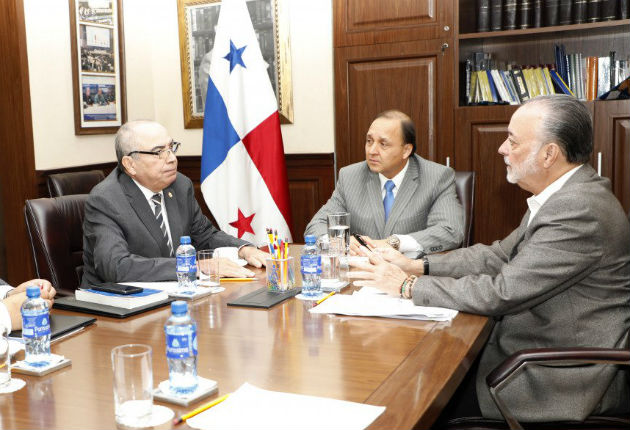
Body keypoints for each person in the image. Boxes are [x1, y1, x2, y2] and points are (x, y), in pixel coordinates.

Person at [348, 95, 630, 422]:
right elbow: (497, 256)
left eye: (513, 140)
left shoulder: (576, 209)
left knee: (414, 395)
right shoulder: (567, 195)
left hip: (552, 377)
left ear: (549, 153)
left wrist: (408, 285)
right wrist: (416, 265)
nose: (502, 149)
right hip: (529, 350)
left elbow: (501, 292)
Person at [82, 120, 269, 287]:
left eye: (171, 148)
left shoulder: (179, 185)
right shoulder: (106, 199)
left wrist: (244, 249)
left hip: (173, 293)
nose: (172, 158)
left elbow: (204, 235)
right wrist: (195, 267)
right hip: (116, 306)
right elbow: (115, 266)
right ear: (130, 164)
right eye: (159, 152)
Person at [304, 110, 464, 258]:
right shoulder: (350, 176)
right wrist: (339, 241)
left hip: (410, 277)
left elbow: (450, 231)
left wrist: (394, 243)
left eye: (383, 144)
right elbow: (316, 226)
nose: (372, 150)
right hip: (361, 276)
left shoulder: (437, 177)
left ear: (406, 150)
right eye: (369, 141)